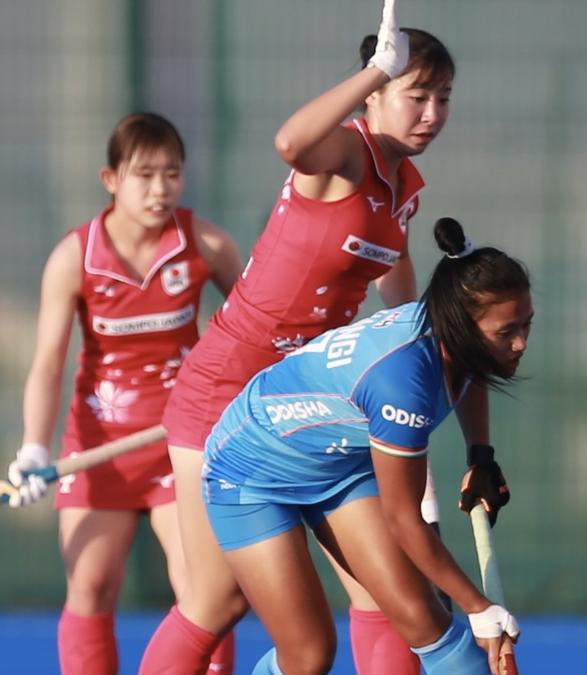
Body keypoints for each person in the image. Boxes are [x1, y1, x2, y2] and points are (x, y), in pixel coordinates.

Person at [139, 3, 509, 674]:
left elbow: (407, 311)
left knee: (387, 591)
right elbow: (290, 142)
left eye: (444, 97)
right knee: (216, 600)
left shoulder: (402, 189)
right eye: (417, 94)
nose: (433, 113)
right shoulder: (344, 154)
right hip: (225, 394)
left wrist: (432, 406)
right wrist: (375, 71)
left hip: (314, 402)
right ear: (377, 95)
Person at [201, 217, 528, 675]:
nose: (520, 343)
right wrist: (478, 606)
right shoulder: (402, 384)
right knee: (309, 655)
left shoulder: (453, 335)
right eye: (506, 332)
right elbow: (403, 520)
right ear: (463, 326)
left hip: (338, 466)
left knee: (423, 620)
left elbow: (473, 373)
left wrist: (481, 456)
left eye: (526, 325)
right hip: (251, 473)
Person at [5, 112, 243, 675]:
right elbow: (48, 364)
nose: (161, 189)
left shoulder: (206, 243)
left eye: (172, 174)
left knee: (204, 592)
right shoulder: (74, 257)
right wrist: (34, 447)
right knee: (90, 586)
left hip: (181, 445)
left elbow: (256, 325)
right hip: (99, 446)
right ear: (111, 179)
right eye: (145, 175)